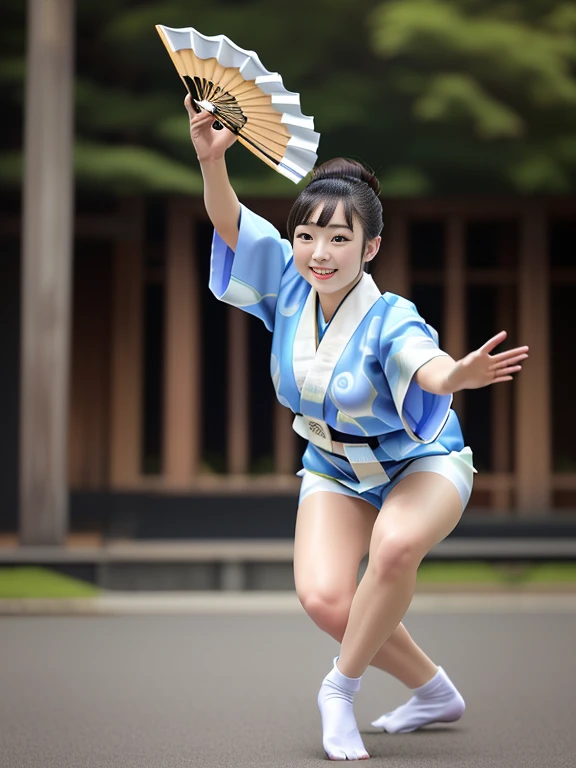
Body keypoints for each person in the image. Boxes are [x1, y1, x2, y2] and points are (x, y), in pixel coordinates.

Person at [185, 95, 529, 761]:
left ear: (369, 247)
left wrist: (454, 377)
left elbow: (422, 363)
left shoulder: (390, 313)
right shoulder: (288, 286)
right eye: (307, 236)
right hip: (334, 468)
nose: (320, 253)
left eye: (340, 238)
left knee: (395, 547)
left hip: (419, 463)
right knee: (323, 598)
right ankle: (433, 689)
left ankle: (339, 690)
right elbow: (230, 223)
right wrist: (210, 162)